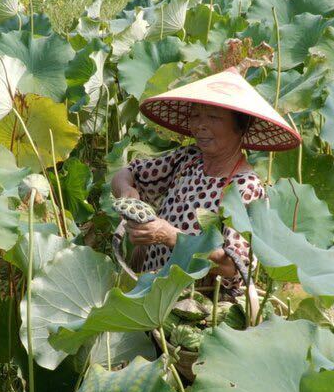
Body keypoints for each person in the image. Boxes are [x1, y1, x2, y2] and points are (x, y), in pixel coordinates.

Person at [110, 67, 300, 298]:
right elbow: (126, 173)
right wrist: (127, 192)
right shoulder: (188, 159)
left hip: (201, 303)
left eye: (213, 117)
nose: (200, 125)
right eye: (196, 115)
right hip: (152, 291)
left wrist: (170, 236)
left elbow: (234, 265)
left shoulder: (245, 188)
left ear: (241, 127)